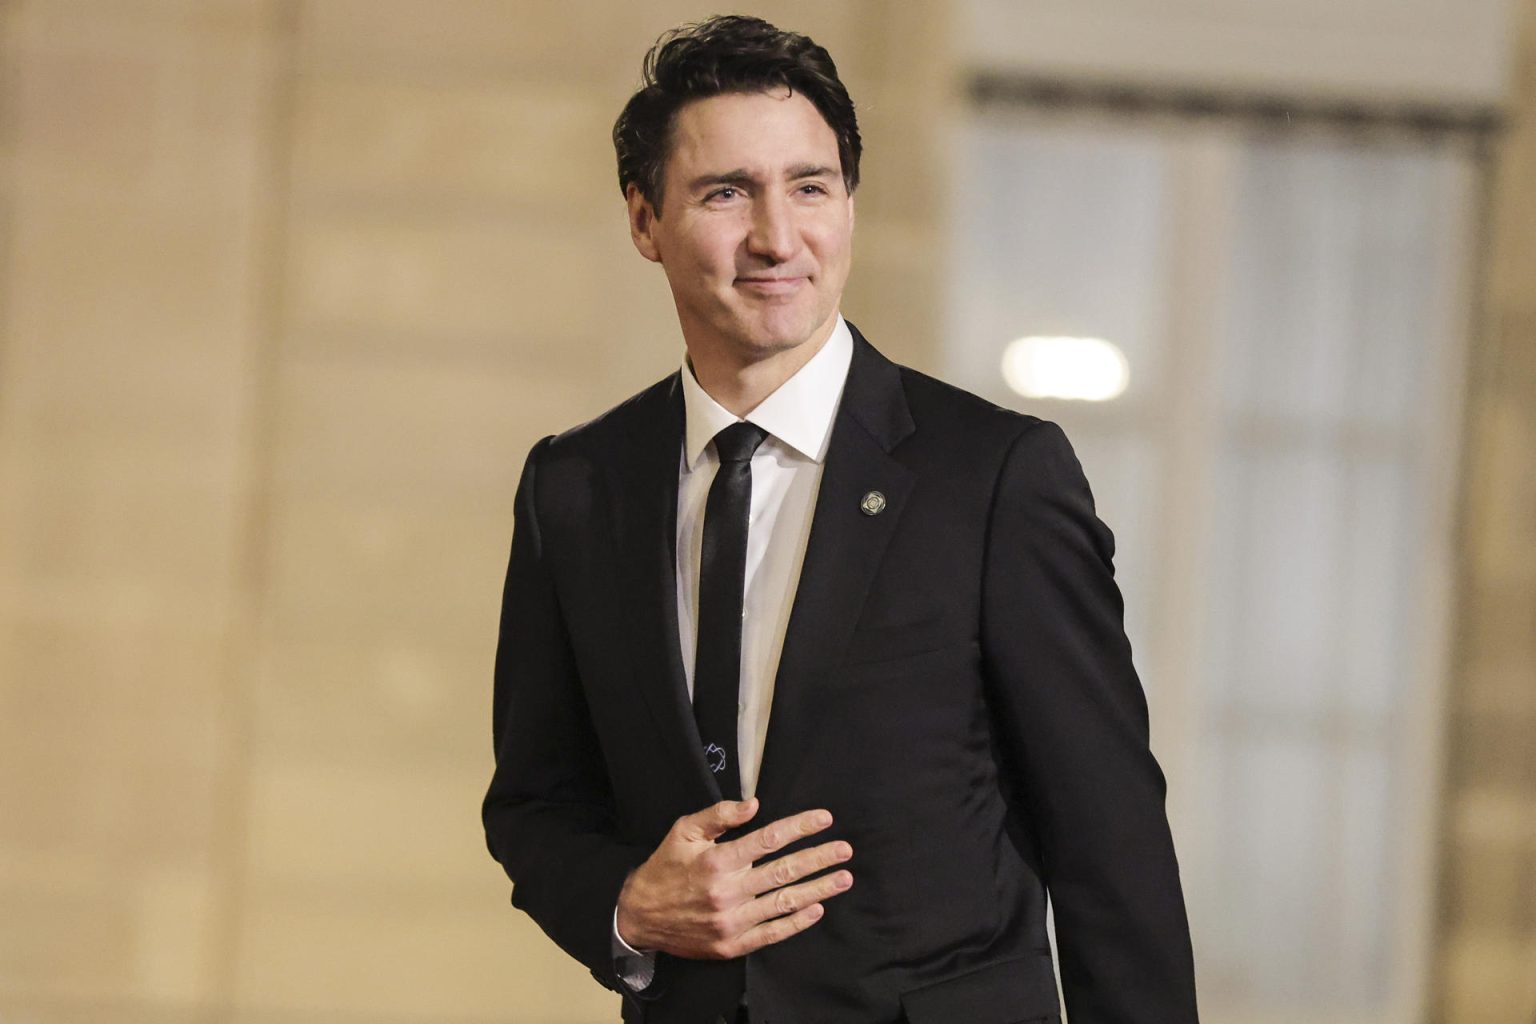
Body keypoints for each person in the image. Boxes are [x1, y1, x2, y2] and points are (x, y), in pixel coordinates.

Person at [482, 14, 1199, 1024]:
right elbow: (536, 802)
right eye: (726, 193)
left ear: (849, 204)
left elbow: (1110, 842)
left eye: (810, 187)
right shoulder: (575, 486)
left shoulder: (995, 477)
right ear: (644, 220)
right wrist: (628, 905)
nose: (778, 237)